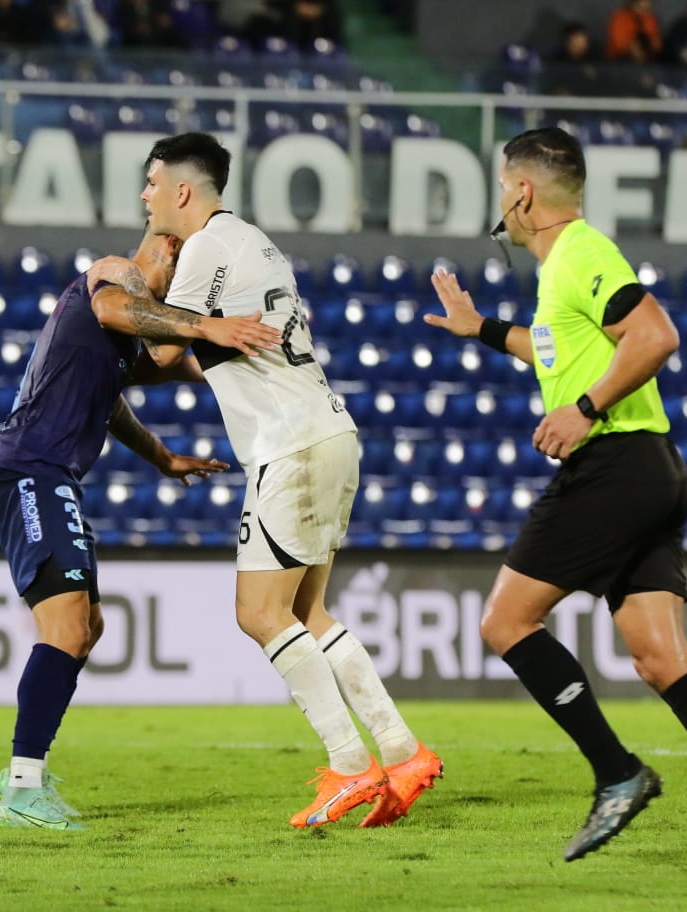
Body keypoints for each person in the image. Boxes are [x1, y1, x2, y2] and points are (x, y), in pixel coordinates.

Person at [424, 126, 687, 869]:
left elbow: (655, 333)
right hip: (650, 468)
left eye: (503, 183)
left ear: (522, 192)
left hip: (615, 464)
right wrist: (482, 329)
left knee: (506, 621)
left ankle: (617, 773)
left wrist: (587, 407)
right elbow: (553, 346)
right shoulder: (561, 272)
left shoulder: (581, 253)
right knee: (662, 659)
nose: (499, 199)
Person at [87, 132, 442, 828]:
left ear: (182, 191)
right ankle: (401, 753)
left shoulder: (211, 249)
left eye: (152, 182)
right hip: (323, 430)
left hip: (293, 442)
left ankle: (348, 764)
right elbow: (205, 349)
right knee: (307, 614)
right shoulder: (250, 243)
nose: (145, 195)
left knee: (259, 614)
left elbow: (163, 344)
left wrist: (115, 338)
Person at [0, 225, 280, 829]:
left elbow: (122, 392)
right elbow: (115, 305)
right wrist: (204, 326)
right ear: (173, 248)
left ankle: (23, 770)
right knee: (66, 628)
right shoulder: (114, 274)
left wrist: (164, 456)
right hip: (29, 470)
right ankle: (22, 786)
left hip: (50, 475)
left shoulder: (114, 344)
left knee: (87, 625)